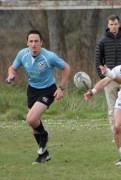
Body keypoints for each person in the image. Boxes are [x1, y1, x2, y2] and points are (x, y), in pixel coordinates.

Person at [6, 29, 71, 164]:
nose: (34, 44)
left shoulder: (49, 56)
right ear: (27, 43)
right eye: (31, 41)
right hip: (32, 90)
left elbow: (66, 68)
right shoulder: (22, 54)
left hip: (48, 90)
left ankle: (45, 135)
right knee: (34, 124)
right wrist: (11, 75)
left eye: (36, 41)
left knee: (31, 119)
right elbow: (13, 67)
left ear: (41, 43)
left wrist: (61, 88)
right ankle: (44, 154)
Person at [95, 14, 121, 138]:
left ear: (119, 24)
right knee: (112, 108)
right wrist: (103, 77)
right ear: (108, 25)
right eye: (111, 24)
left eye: (115, 24)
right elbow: (98, 60)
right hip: (110, 79)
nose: (113, 26)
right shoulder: (102, 41)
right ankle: (116, 134)